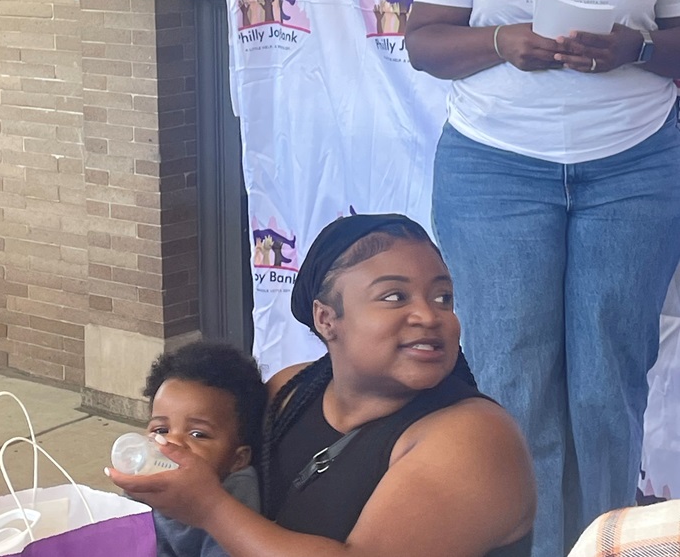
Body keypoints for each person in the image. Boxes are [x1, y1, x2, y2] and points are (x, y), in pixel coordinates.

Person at [404, 0, 680, 557]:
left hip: (633, 167)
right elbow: (422, 41)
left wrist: (634, 48)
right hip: (496, 168)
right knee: (514, 376)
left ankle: (599, 545)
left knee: (607, 382)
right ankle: (522, 545)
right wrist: (499, 41)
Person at [109, 214, 536, 557]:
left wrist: (208, 508)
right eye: (395, 297)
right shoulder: (288, 391)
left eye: (443, 298)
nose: (430, 315)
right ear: (326, 319)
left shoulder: (474, 439)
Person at [141, 341, 267, 557]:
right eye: (161, 430)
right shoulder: (145, 481)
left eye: (198, 434)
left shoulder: (236, 498)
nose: (173, 443)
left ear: (238, 459)